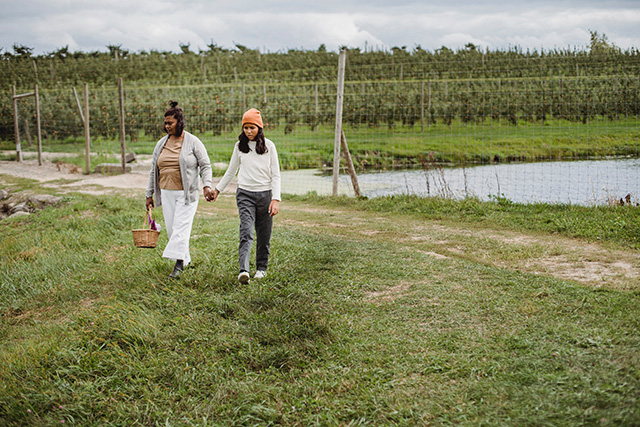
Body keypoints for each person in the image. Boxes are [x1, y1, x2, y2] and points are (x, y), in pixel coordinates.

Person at [146, 101, 214, 279]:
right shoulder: (161, 144)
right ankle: (186, 259)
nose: (167, 126)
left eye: (170, 123)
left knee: (180, 229)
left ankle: (178, 266)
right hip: (166, 192)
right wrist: (149, 194)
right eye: (165, 123)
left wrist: (207, 185)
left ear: (180, 122)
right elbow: (154, 169)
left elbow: (205, 165)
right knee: (171, 230)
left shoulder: (192, 142)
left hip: (187, 193)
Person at [212, 108, 281, 283]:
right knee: (246, 231)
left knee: (264, 234)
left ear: (259, 128)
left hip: (265, 195)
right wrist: (217, 190)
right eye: (246, 128)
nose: (249, 131)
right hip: (245, 195)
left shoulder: (269, 147)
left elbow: (276, 174)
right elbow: (231, 171)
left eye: (252, 127)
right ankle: (244, 270)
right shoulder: (239, 147)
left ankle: (261, 268)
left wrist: (276, 199)